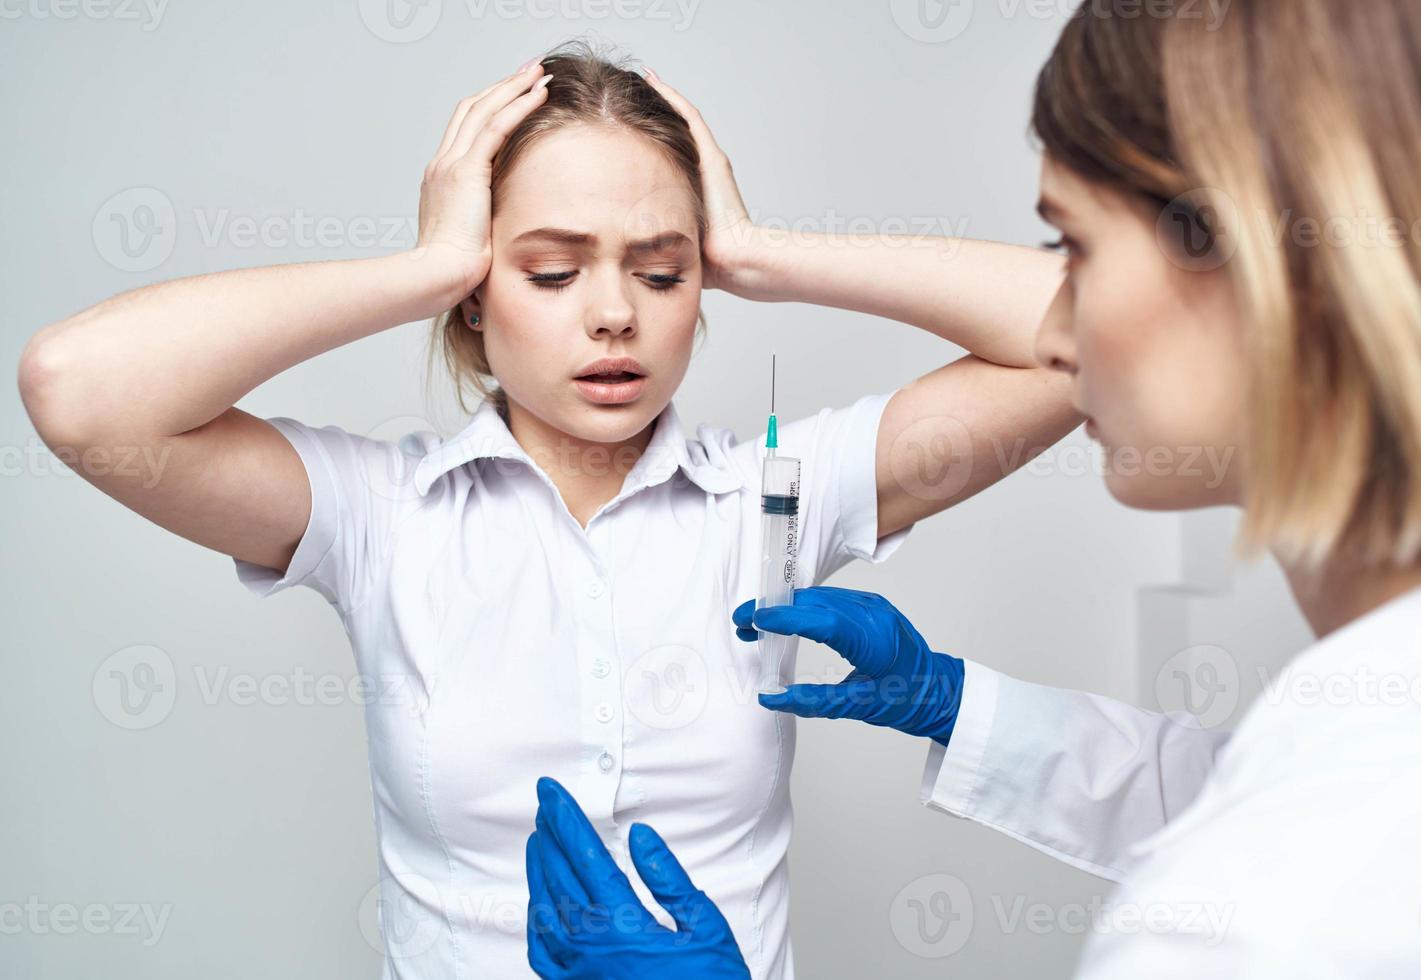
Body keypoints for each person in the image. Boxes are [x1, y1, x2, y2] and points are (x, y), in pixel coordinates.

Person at [16, 42, 1078, 979]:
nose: (613, 313)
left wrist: (762, 253)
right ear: (480, 289)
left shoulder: (773, 496)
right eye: (552, 269)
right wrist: (425, 266)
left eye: (662, 272)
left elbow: (1085, 340)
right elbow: (77, 387)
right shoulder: (383, 512)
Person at [525, 3, 1421, 977]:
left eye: (1071, 249)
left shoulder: (1264, 917)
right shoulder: (1343, 771)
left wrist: (752, 253)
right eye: (549, 269)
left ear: (1257, 259)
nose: (1053, 331)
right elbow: (1237, 786)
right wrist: (954, 704)